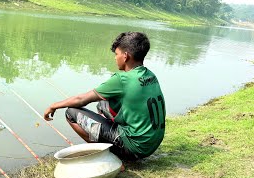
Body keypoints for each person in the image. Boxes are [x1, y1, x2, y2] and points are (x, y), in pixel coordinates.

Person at [43, 31, 165, 161]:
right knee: (102, 105)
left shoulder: (122, 79)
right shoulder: (150, 75)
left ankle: (107, 156)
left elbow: (81, 100)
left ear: (125, 56)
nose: (115, 58)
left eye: (116, 54)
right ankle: (109, 138)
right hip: (151, 144)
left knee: (71, 113)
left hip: (134, 148)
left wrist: (53, 105)